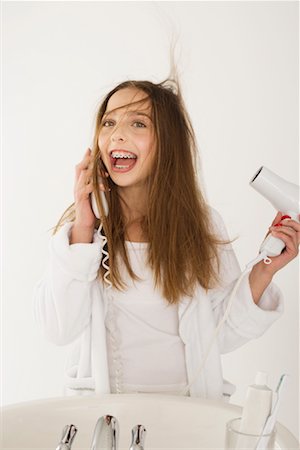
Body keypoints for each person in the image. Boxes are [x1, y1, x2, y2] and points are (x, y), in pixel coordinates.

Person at [34, 78, 300, 400]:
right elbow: (58, 329)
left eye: (138, 123)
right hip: (105, 417)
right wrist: (84, 227)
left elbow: (220, 334)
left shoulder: (200, 225)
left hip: (186, 413)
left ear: (166, 142)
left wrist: (265, 269)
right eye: (108, 122)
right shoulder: (84, 232)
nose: (117, 134)